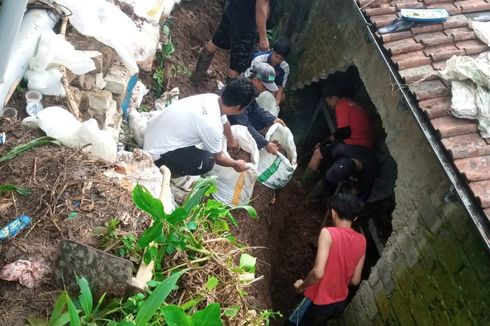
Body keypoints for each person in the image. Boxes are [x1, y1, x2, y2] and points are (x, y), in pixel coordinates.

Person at [143, 77, 256, 177]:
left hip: (151, 133)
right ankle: (168, 173)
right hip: (155, 154)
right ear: (238, 107)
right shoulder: (212, 126)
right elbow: (219, 158)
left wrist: (232, 141)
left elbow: (224, 122)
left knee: (203, 143)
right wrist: (235, 164)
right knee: (208, 161)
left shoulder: (213, 99)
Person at [286, 193, 366, 326]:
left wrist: (302, 286)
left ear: (333, 213)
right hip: (337, 303)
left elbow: (318, 273)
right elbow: (355, 280)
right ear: (355, 217)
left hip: (317, 299)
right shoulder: (362, 241)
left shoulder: (328, 233)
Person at [302, 86, 377, 202]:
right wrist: (331, 139)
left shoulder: (341, 105)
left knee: (318, 153)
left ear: (334, 98)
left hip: (352, 147)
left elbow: (344, 132)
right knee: (335, 155)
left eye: (328, 101)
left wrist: (327, 141)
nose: (329, 105)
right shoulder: (357, 107)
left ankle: (302, 184)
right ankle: (316, 195)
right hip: (367, 152)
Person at [191, 0, 270, 83]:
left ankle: (198, 75)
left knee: (215, 41)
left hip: (231, 10)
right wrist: (263, 38)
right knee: (237, 65)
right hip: (246, 24)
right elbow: (260, 8)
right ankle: (229, 93)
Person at [228, 61, 285, 155]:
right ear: (255, 80)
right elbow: (243, 124)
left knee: (260, 122)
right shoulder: (242, 92)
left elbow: (255, 108)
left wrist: (273, 119)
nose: (265, 90)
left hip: (236, 118)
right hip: (227, 122)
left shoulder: (249, 88)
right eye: (264, 86)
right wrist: (265, 144)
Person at [251, 38, 291, 104]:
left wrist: (277, 102)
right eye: (276, 57)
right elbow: (251, 77)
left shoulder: (284, 67)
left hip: (270, 85)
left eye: (281, 59)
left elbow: (280, 85)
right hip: (257, 81)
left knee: (282, 97)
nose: (277, 61)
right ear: (272, 51)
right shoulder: (258, 60)